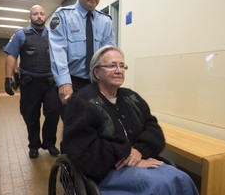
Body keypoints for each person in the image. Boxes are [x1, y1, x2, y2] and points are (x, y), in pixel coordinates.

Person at [60, 45, 199, 195]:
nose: (119, 70)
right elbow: (85, 149)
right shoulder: (82, 101)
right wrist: (126, 153)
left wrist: (139, 151)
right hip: (106, 171)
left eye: (122, 66)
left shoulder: (131, 97)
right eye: (112, 66)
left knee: (182, 178)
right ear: (97, 73)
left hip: (140, 161)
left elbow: (153, 128)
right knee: (159, 186)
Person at [49, 0, 115, 119]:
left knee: (99, 127)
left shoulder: (105, 21)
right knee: (75, 131)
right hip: (73, 83)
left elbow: (109, 55)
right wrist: (64, 82)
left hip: (98, 83)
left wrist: (110, 82)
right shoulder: (63, 16)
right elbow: (58, 51)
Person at [4, 5, 60, 159]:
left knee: (53, 114)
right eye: (35, 14)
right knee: (31, 116)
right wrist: (8, 78)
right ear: (30, 17)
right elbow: (11, 56)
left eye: (42, 13)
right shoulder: (21, 34)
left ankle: (49, 143)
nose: (39, 16)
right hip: (29, 84)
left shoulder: (54, 34)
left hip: (50, 83)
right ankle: (34, 145)